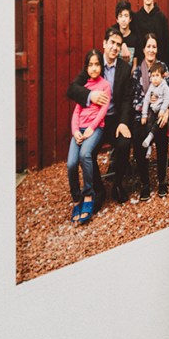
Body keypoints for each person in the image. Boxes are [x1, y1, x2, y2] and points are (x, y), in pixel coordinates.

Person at [66, 26, 134, 206]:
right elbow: (72, 89)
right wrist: (90, 95)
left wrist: (123, 122)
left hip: (114, 119)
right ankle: (98, 189)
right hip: (95, 122)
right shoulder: (94, 64)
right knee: (88, 153)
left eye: (118, 44)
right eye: (112, 42)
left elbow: (127, 99)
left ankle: (117, 184)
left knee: (124, 143)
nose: (115, 47)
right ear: (104, 43)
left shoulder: (124, 69)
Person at [66, 49, 111, 225]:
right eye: (90, 65)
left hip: (95, 128)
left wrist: (91, 128)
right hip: (79, 129)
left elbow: (103, 111)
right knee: (71, 163)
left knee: (85, 154)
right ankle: (76, 197)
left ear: (101, 66)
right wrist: (75, 131)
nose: (94, 68)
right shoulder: (84, 86)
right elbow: (76, 111)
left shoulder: (105, 85)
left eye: (97, 64)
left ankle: (88, 195)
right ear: (86, 67)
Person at [131, 33, 169, 202]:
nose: (151, 50)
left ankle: (162, 180)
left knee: (162, 137)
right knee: (139, 139)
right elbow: (135, 98)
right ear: (143, 49)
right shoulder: (137, 71)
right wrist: (147, 105)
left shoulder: (162, 68)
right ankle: (145, 183)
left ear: (157, 49)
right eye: (148, 46)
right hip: (142, 115)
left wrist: (167, 110)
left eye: (154, 47)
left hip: (160, 113)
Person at [133, 0, 169, 74]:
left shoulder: (161, 18)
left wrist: (168, 69)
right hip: (141, 70)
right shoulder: (136, 18)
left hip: (158, 70)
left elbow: (167, 46)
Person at [140, 61, 169, 149]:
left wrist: (163, 110)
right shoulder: (151, 86)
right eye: (153, 76)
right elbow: (146, 100)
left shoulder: (164, 87)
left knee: (158, 124)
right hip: (153, 111)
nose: (155, 78)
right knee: (148, 125)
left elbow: (167, 99)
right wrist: (144, 115)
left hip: (161, 111)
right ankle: (149, 145)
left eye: (157, 75)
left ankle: (150, 137)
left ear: (162, 76)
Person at [111, 0, 141, 70]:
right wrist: (122, 44)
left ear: (130, 19)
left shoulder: (135, 38)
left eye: (126, 16)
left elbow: (135, 64)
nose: (123, 19)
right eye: (120, 16)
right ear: (117, 19)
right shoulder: (113, 37)